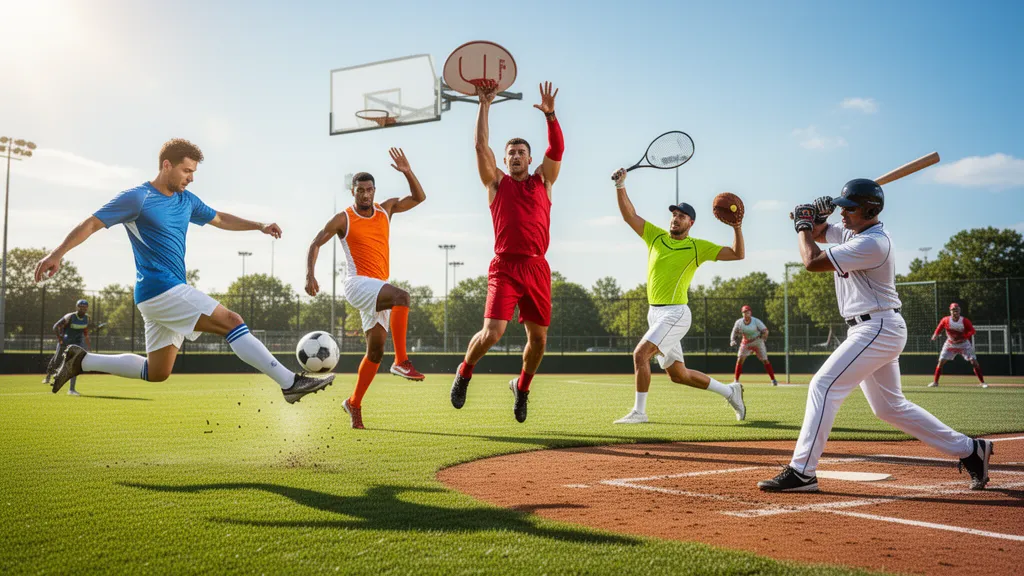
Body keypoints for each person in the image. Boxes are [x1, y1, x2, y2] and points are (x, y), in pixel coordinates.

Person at [35, 138, 333, 402]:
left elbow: (220, 219)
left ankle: (81, 361)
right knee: (232, 321)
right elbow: (92, 223)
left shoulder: (185, 200)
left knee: (157, 372)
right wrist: (57, 253)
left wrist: (259, 225)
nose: (191, 178)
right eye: (186, 170)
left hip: (158, 295)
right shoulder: (138, 197)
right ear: (167, 165)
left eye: (193, 172)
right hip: (161, 289)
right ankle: (289, 383)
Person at [757, 182, 992, 492]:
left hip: (877, 326)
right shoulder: (854, 233)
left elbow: (812, 261)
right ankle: (971, 450)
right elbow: (818, 234)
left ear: (869, 211)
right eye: (841, 207)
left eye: (849, 208)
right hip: (873, 328)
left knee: (823, 386)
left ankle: (802, 471)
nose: (843, 213)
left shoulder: (873, 243)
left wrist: (803, 223)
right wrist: (814, 216)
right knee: (889, 408)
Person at [449, 82, 564, 423]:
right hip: (505, 267)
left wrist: (551, 116)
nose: (515, 156)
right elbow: (479, 145)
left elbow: (557, 148)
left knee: (539, 340)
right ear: (504, 160)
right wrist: (484, 104)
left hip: (537, 268)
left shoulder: (544, 181)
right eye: (510, 152)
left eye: (520, 152)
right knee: (493, 333)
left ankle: (522, 388)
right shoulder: (496, 183)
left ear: (530, 158)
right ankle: (464, 372)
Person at [610, 168, 747, 425]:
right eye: (674, 214)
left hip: (675, 313)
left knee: (640, 355)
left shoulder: (696, 247)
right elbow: (630, 216)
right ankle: (730, 392)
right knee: (678, 375)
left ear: (690, 223)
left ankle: (639, 412)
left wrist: (737, 228)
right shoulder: (656, 237)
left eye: (681, 216)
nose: (675, 218)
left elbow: (737, 254)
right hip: (655, 313)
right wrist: (621, 186)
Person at [305, 148, 427, 429]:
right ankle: (402, 360)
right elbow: (315, 243)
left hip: (377, 288)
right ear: (353, 192)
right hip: (357, 284)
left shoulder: (386, 210)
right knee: (402, 297)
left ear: (374, 191)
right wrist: (310, 275)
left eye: (369, 189)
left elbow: (419, 197)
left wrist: (408, 171)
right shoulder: (343, 218)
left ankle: (354, 403)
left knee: (375, 352)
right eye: (360, 190)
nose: (365, 194)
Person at [929, 303, 987, 388]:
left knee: (974, 362)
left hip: (964, 344)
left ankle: (982, 382)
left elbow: (972, 331)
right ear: (950, 311)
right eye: (953, 310)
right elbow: (939, 328)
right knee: (941, 362)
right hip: (950, 344)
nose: (955, 312)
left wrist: (965, 336)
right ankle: (935, 382)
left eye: (957, 310)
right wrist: (935, 335)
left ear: (959, 311)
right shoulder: (946, 320)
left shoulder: (964, 321)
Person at [44, 299, 91, 395]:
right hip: (65, 343)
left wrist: (88, 345)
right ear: (77, 307)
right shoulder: (70, 316)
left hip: (77, 344)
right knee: (57, 360)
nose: (82, 309)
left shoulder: (87, 318)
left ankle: (71, 389)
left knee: (75, 364)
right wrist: (60, 339)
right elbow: (55, 327)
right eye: (81, 307)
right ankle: (48, 376)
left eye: (85, 307)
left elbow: (85, 332)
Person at [730, 305, 778, 386]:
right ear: (742, 314)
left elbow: (765, 330)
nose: (746, 314)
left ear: (750, 313)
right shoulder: (739, 322)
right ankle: (736, 380)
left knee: (765, 360)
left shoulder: (756, 321)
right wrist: (732, 340)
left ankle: (773, 380)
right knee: (740, 359)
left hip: (757, 341)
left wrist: (764, 338)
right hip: (746, 342)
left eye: (747, 312)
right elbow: (734, 331)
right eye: (744, 312)